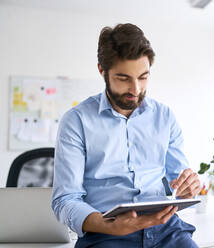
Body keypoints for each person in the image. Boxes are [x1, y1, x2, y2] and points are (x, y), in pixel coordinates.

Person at [52, 23, 201, 248]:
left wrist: (188, 187)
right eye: (123, 79)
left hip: (166, 230)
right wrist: (108, 225)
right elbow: (65, 200)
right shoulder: (76, 121)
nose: (136, 89)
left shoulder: (165, 116)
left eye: (143, 77)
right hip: (106, 233)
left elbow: (178, 184)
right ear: (103, 71)